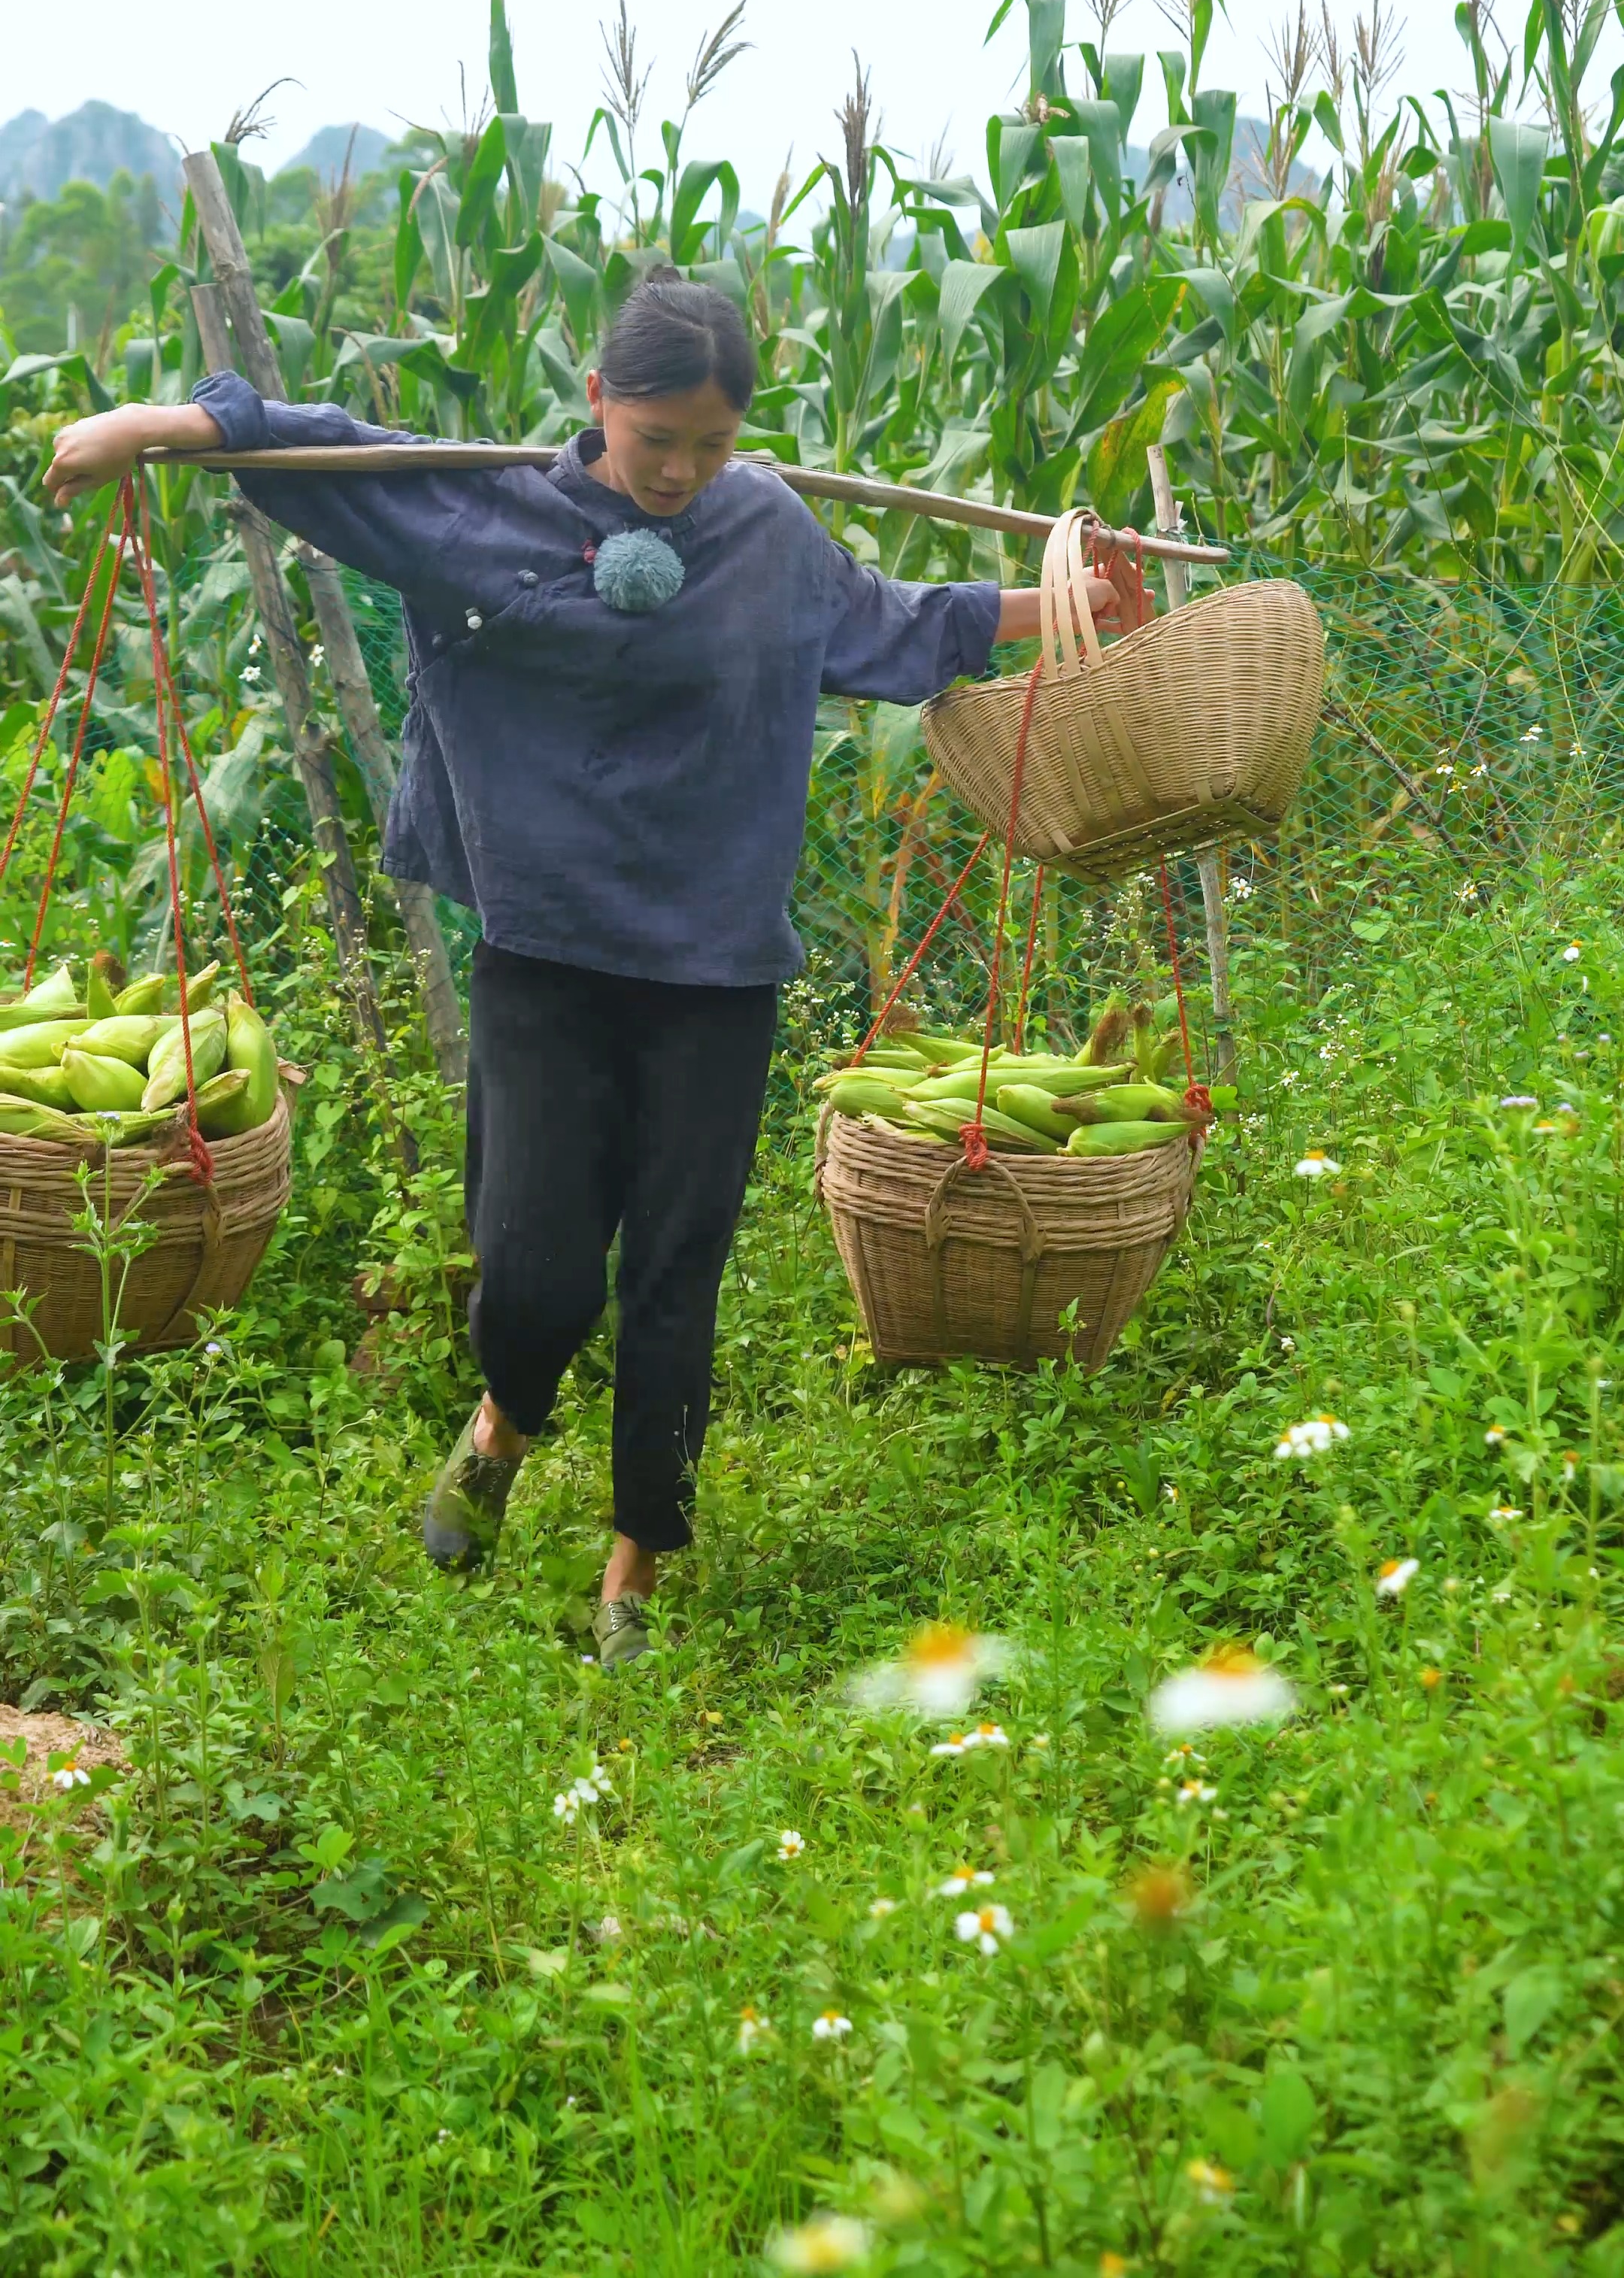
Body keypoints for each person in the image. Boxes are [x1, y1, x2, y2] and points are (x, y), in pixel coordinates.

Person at [47, 274, 1144, 1667]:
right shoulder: (484, 508)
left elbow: (895, 623)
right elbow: (300, 448)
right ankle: (505, 1419)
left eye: (711, 445)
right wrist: (144, 427)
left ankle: (634, 1570)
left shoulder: (767, 534)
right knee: (535, 1267)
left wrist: (1062, 601)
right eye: (655, 441)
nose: (682, 473)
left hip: (715, 968)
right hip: (546, 951)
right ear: (596, 407)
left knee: (677, 1272)